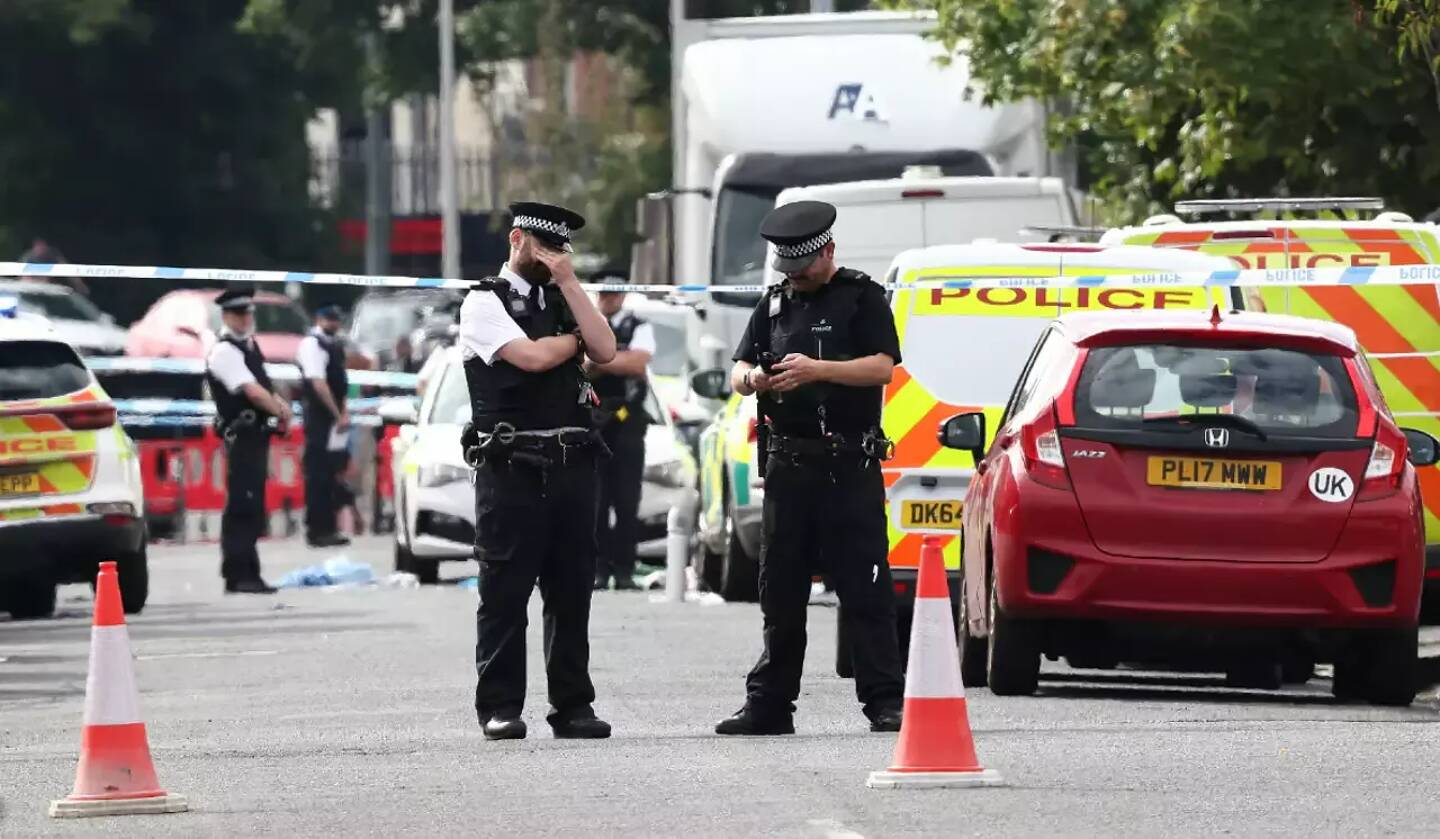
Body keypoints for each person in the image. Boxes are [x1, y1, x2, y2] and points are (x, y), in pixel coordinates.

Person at [715, 200, 906, 736]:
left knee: (864, 586)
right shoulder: (774, 304)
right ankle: (770, 704)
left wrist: (818, 370)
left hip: (848, 465)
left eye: (804, 270)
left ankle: (884, 701)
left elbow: (882, 368)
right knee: (780, 589)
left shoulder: (862, 297)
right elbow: (739, 365)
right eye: (789, 272)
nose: (796, 280)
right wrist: (753, 380)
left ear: (828, 251)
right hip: (788, 465)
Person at [460, 201, 618, 741]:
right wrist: (571, 344)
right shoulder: (483, 301)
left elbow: (606, 349)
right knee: (504, 593)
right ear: (517, 241)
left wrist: (571, 284)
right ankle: (500, 706)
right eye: (542, 245)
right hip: (513, 468)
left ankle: (572, 705)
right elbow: (528, 358)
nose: (550, 256)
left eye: (559, 247)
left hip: (572, 465)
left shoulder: (563, 297)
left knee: (571, 591)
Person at [205, 286, 293, 594]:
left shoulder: (247, 346)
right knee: (243, 504)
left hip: (255, 436)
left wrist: (279, 407)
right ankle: (240, 574)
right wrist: (280, 410)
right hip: (242, 437)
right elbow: (252, 391)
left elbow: (262, 385)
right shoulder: (225, 350)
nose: (245, 319)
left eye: (248, 313)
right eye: (239, 314)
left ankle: (246, 571)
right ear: (227, 315)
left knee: (251, 504)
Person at [587, 287, 655, 592]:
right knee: (596, 502)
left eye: (614, 294)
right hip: (595, 423)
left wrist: (600, 362)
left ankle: (624, 570)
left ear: (623, 296)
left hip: (628, 424)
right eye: (604, 294)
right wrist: (616, 360)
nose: (608, 299)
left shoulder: (637, 325)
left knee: (627, 502)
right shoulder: (588, 322)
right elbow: (580, 365)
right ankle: (599, 569)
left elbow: (637, 364)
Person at [296, 304, 352, 548]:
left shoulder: (334, 345)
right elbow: (318, 384)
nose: (334, 325)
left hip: (333, 417)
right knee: (318, 474)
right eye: (330, 320)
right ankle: (317, 529)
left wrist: (344, 412)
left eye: (337, 320)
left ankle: (329, 527)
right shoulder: (312, 344)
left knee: (331, 473)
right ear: (319, 319)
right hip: (320, 417)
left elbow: (341, 384)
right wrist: (336, 412)